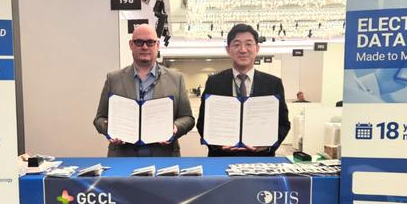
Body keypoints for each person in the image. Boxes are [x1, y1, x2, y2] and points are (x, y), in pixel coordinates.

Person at [94, 24, 194, 157]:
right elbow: (99, 119)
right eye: (139, 42)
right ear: (131, 45)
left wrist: (175, 127)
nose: (145, 47)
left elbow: (188, 118)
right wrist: (109, 129)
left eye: (150, 42)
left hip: (164, 156)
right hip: (123, 156)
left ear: (157, 45)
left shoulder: (176, 79)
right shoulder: (113, 79)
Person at [196, 23, 290, 157]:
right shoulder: (214, 82)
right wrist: (216, 144)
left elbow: (284, 124)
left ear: (257, 48)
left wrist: (267, 146)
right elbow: (202, 122)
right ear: (228, 50)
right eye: (237, 44)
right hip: (222, 157)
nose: (243, 50)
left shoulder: (273, 84)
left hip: (260, 159)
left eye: (248, 44)